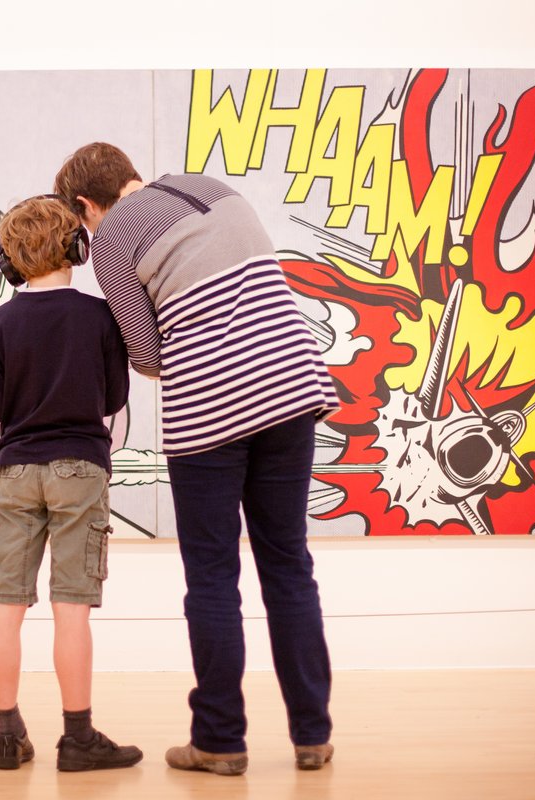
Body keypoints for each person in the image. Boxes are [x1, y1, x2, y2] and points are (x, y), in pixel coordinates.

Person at [54, 143, 340, 775]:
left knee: (212, 576)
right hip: (293, 385)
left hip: (212, 408)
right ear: (131, 173)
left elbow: (147, 353)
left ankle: (219, 739)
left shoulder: (113, 236)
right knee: (288, 563)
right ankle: (312, 735)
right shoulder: (210, 188)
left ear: (83, 205)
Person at [0, 194, 142, 772]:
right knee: (70, 606)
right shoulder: (99, 315)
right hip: (80, 466)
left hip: (16, 470)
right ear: (77, 247)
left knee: (7, 604)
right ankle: (77, 738)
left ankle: (7, 735)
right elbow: (116, 398)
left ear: (10, 259)